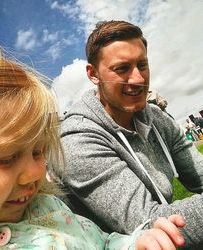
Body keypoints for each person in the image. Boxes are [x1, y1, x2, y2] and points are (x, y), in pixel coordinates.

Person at [0, 44, 185, 250]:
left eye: (38, 151)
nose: (35, 172)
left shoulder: (49, 208)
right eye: (7, 158)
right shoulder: (81, 136)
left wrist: (135, 244)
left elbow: (101, 241)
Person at [59, 20, 203, 249]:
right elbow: (150, 227)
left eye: (142, 65)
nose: (138, 79)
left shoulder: (155, 116)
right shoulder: (77, 141)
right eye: (122, 68)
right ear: (93, 74)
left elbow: (198, 173)